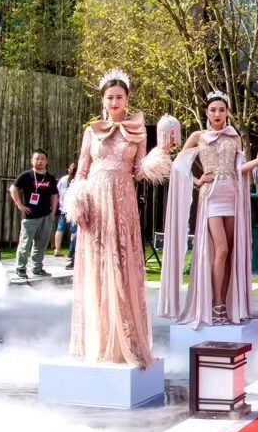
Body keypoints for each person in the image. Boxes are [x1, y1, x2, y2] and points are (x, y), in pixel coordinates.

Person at [63, 71, 175, 366]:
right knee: (97, 267)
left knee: (121, 268)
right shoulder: (91, 132)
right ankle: (98, 341)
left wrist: (161, 154)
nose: (115, 102)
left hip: (123, 201)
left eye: (120, 97)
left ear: (127, 99)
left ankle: (124, 342)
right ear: (103, 100)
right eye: (110, 97)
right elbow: (82, 171)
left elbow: (139, 171)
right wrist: (78, 201)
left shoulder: (138, 132)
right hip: (95, 202)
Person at [161, 91, 258, 327]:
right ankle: (216, 306)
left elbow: (239, 169)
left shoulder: (234, 137)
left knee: (230, 252)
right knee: (221, 249)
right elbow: (177, 166)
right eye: (213, 110)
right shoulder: (198, 136)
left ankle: (225, 306)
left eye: (221, 110)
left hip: (231, 196)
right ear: (207, 112)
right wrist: (197, 181)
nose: (217, 114)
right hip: (211, 197)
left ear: (227, 113)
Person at [11, 149, 59, 279]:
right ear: (32, 161)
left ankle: (37, 268)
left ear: (47, 161)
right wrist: (20, 205)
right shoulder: (26, 175)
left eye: (42, 159)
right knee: (25, 244)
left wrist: (53, 212)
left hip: (46, 215)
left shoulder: (50, 178)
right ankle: (21, 269)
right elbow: (13, 188)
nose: (40, 161)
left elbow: (54, 195)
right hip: (30, 215)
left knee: (41, 244)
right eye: (37, 158)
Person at [54, 159, 78, 261]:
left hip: (63, 207)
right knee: (74, 230)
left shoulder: (63, 179)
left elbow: (57, 192)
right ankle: (72, 251)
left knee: (60, 229)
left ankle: (57, 249)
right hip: (73, 208)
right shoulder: (78, 180)